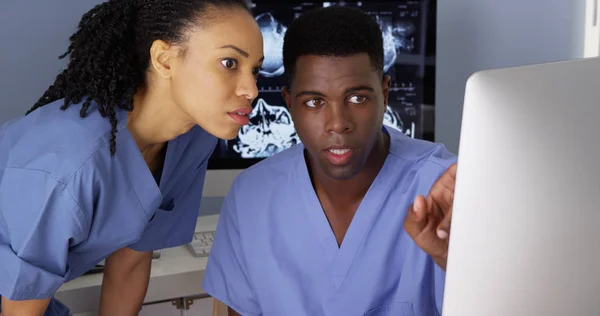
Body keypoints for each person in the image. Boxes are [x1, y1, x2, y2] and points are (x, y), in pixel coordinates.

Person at [0, 0, 263, 315]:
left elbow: (132, 257)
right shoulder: (69, 162)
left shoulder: (193, 139)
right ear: (164, 59)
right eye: (230, 63)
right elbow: (19, 308)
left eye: (255, 70)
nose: (252, 89)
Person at [202, 5, 457, 316]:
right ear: (289, 103)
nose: (337, 123)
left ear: (385, 93)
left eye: (357, 98)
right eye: (314, 102)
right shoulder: (250, 199)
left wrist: (453, 259)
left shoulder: (444, 191)